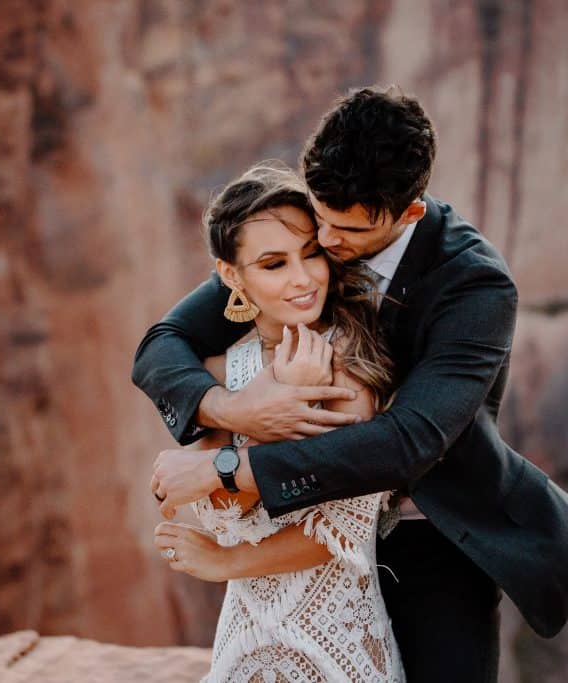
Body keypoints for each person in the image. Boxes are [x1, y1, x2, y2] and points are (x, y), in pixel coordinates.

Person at [135, 86, 568, 682]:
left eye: (345, 233)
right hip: (303, 520)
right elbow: (163, 344)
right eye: (319, 221)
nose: (326, 248)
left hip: (429, 523)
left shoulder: (476, 287)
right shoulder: (310, 234)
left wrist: (229, 470)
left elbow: (410, 441)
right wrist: (233, 410)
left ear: (408, 213)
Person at [151, 162, 404, 682]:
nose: (302, 278)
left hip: (334, 642)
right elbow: (222, 512)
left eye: (311, 254)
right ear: (231, 276)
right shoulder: (224, 371)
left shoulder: (351, 363)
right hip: (245, 641)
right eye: (273, 264)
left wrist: (225, 562)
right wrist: (271, 413)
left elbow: (340, 532)